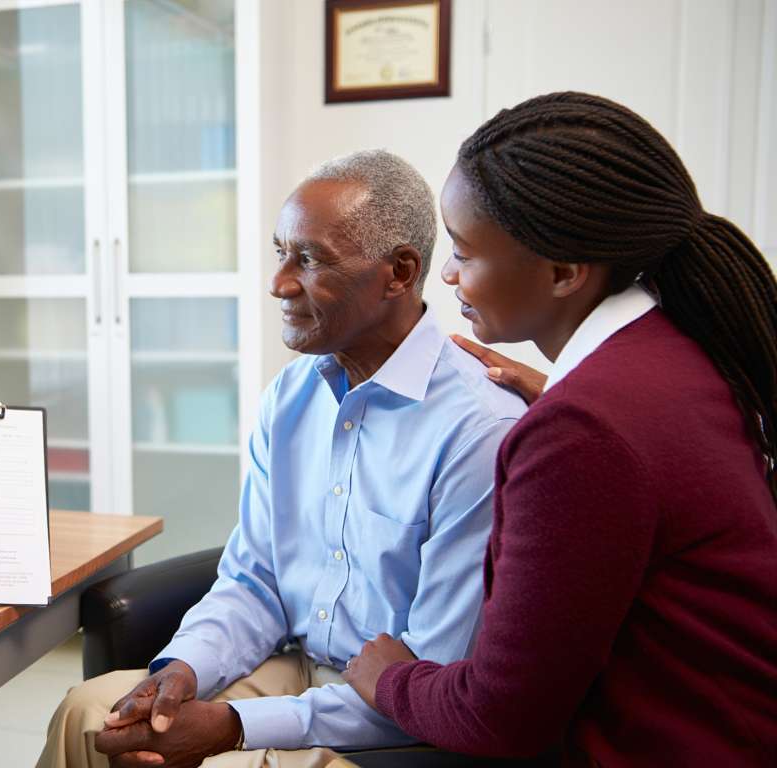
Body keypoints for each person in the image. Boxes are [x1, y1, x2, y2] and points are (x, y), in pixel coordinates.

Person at [38, 150, 526, 768]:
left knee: (212, 760)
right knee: (91, 714)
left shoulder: (479, 430)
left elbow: (435, 675)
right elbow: (254, 578)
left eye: (311, 259)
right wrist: (184, 668)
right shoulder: (292, 397)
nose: (279, 282)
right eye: (280, 252)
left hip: (393, 714)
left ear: (399, 272)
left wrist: (232, 726)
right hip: (294, 666)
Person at [343, 92, 777, 766]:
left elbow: (499, 719)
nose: (449, 274)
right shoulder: (674, 347)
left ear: (566, 272)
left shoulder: (585, 430)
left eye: (463, 251)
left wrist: (388, 678)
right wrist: (567, 403)